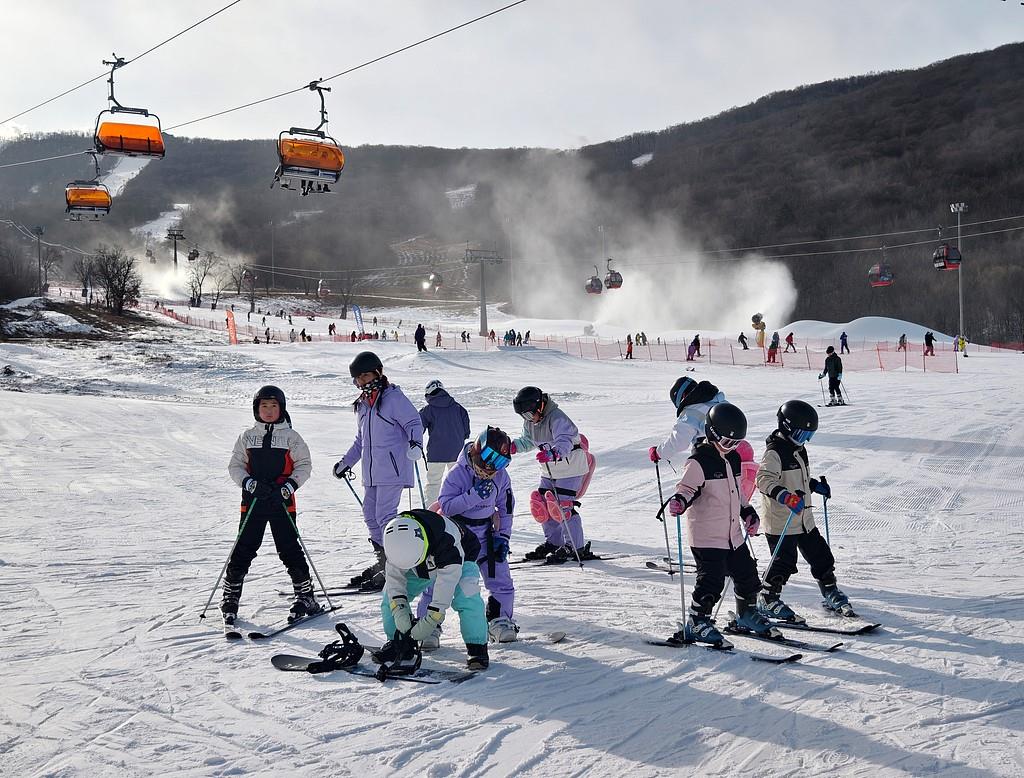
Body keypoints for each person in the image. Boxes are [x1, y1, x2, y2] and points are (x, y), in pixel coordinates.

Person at [666, 403, 775, 644]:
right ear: (712, 433)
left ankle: (746, 614)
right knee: (711, 581)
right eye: (727, 442)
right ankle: (697, 622)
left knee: (747, 574)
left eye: (736, 443)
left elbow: (738, 493)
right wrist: (679, 502)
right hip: (707, 536)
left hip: (732, 534)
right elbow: (686, 489)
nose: (732, 447)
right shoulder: (698, 462)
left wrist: (748, 512)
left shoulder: (733, 459)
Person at [223, 386, 318, 625]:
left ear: (281, 409)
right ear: (256, 409)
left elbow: (304, 465)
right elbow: (235, 466)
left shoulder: (292, 437)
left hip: (281, 500)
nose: (268, 410)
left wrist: (288, 487)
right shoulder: (247, 437)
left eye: (273, 406)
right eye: (263, 406)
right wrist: (249, 483)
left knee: (288, 547)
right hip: (253, 500)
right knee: (244, 547)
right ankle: (231, 595)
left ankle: (305, 594)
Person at [333, 352, 424, 591]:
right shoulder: (363, 405)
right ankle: (384, 563)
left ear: (378, 372)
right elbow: (360, 441)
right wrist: (346, 462)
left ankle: (394, 569)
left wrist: (416, 445)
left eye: (365, 376)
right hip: (372, 472)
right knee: (370, 515)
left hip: (393, 469)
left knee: (384, 516)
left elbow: (414, 423)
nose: (361, 381)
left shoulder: (394, 398)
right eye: (357, 378)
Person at [419, 427, 517, 647]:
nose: (490, 471)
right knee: (438, 581)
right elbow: (446, 505)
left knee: (500, 578)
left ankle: (500, 620)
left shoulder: (501, 477)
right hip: (455, 535)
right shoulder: (458, 473)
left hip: (485, 535)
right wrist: (473, 496)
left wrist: (503, 536)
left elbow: (506, 508)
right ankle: (428, 626)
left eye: (499, 465)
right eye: (488, 464)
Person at [756, 400, 852, 620]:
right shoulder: (774, 452)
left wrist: (814, 485)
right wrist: (784, 496)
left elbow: (800, 479)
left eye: (809, 436)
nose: (805, 440)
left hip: (803, 518)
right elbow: (763, 480)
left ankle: (830, 590)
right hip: (782, 520)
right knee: (783, 562)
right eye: (801, 434)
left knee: (821, 556)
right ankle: (767, 598)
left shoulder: (799, 450)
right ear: (786, 427)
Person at [376, 511, 489, 671]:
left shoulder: (447, 542)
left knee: (467, 597)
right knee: (389, 597)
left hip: (461, 557)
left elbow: (445, 586)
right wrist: (399, 609)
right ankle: (399, 643)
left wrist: (432, 619)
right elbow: (395, 581)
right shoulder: (394, 541)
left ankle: (477, 648)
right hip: (418, 565)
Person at [512, 386, 598, 562]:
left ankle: (575, 546)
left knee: (563, 506)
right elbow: (527, 441)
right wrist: (513, 446)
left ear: (540, 406)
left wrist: (554, 453)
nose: (528, 419)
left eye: (528, 414)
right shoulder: (531, 421)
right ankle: (554, 541)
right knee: (542, 504)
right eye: (523, 416)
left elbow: (565, 440)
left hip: (570, 467)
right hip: (550, 468)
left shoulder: (557, 418)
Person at [649, 377, 725, 464]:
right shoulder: (721, 401)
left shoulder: (690, 412)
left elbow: (679, 442)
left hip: (714, 458)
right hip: (734, 453)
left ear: (683, 396)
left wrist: (658, 453)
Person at [419, 379, 471, 505]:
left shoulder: (428, 410)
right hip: (457, 453)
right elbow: (466, 432)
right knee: (457, 482)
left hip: (436, 453)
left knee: (433, 483)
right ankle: (457, 508)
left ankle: (431, 510)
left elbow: (417, 430)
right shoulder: (459, 408)